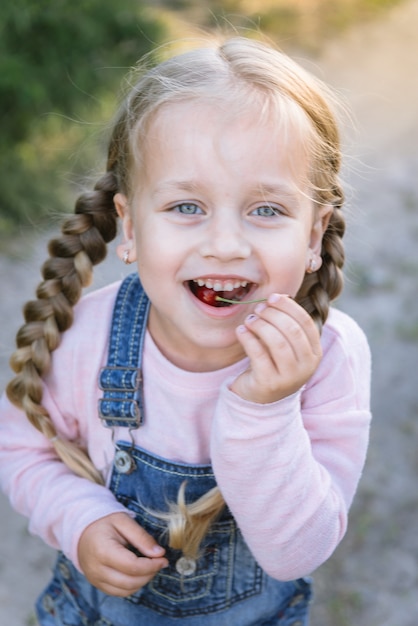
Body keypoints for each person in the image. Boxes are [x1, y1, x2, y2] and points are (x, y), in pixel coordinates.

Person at [0, 35, 371, 625]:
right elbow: (25, 449)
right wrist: (78, 516)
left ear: (313, 234)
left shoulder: (328, 356)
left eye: (267, 209)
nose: (225, 244)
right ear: (130, 224)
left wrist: (267, 410)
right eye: (186, 207)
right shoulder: (87, 337)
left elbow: (295, 552)